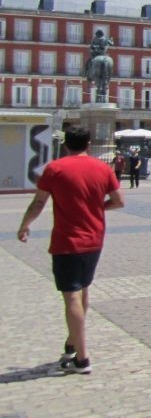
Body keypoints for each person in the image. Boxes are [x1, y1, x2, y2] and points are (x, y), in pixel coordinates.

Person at [17, 127, 125, 375]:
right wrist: (97, 209)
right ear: (88, 144)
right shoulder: (102, 168)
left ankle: (82, 359)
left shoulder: (55, 169)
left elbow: (38, 203)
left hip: (67, 241)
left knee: (72, 296)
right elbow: (119, 201)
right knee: (82, 291)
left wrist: (24, 225)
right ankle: (72, 342)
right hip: (94, 239)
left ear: (66, 144)